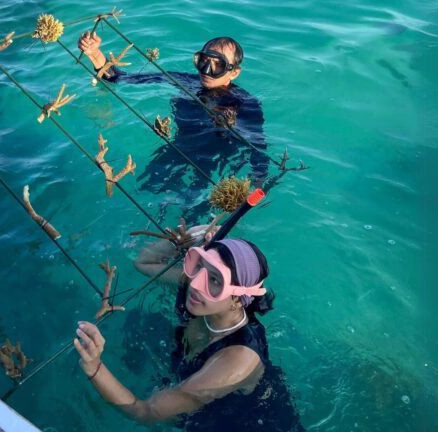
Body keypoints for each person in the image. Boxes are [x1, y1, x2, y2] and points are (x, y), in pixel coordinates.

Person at [74, 234, 305, 431]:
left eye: (214, 279)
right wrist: (184, 240)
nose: (195, 284)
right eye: (200, 265)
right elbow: (144, 263)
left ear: (238, 298)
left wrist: (94, 367)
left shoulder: (237, 360)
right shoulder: (203, 294)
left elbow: (146, 412)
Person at [78, 33, 270, 219]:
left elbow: (258, 148)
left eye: (218, 65)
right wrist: (95, 54)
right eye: (203, 61)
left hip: (213, 164)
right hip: (177, 150)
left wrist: (256, 186)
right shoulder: (186, 82)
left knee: (193, 214)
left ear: (234, 72)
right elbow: (121, 79)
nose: (207, 70)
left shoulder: (246, 104)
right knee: (145, 194)